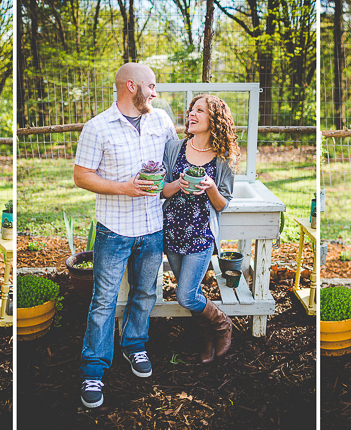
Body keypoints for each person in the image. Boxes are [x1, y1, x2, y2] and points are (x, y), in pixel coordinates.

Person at [73, 63, 178, 408]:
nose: (155, 93)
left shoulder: (161, 120)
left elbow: (176, 159)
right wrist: (123, 188)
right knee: (103, 301)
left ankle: (135, 346)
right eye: (151, 86)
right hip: (114, 230)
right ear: (131, 86)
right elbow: (82, 176)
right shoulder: (97, 127)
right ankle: (94, 369)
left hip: (153, 227)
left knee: (145, 292)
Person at [161, 94, 237, 363]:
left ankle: (222, 325)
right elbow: (162, 189)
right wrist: (178, 185)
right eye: (191, 110)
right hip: (172, 233)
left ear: (213, 119)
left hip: (200, 236)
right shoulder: (174, 149)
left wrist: (211, 188)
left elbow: (222, 204)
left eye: (199, 110)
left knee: (184, 295)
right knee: (192, 292)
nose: (191, 114)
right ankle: (207, 337)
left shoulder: (223, 158)